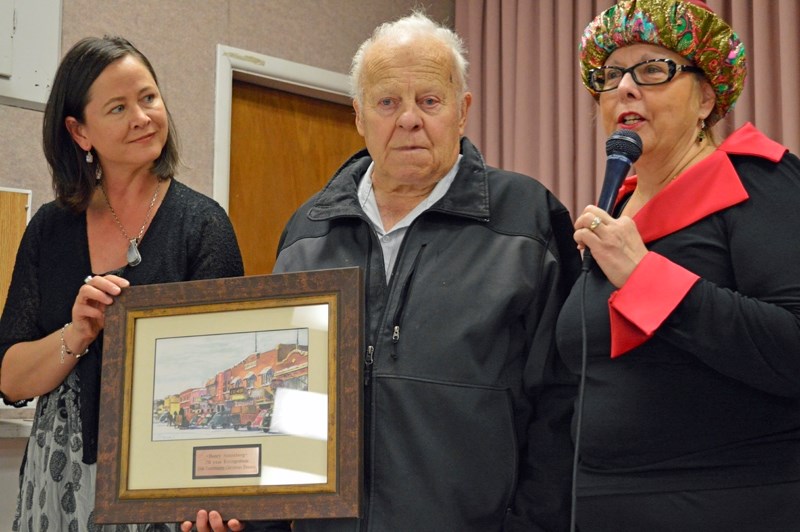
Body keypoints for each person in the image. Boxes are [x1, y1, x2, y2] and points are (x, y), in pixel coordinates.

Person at [247, 10, 581, 532]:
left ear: (462, 110)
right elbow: (283, 401)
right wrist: (254, 516)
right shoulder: (308, 233)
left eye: (429, 100)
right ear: (359, 116)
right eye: (387, 102)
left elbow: (563, 399)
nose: (408, 119)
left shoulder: (528, 220)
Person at [555, 0, 800, 530]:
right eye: (612, 74)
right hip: (597, 508)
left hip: (728, 503)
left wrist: (646, 277)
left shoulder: (757, 181)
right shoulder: (613, 211)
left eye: (653, 70)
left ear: (706, 97)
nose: (624, 87)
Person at [0, 36, 245, 531]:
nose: (143, 117)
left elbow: (226, 381)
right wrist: (77, 333)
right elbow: (10, 379)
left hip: (163, 486)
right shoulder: (49, 228)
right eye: (118, 107)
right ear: (79, 131)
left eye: (149, 97)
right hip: (57, 482)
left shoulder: (203, 225)